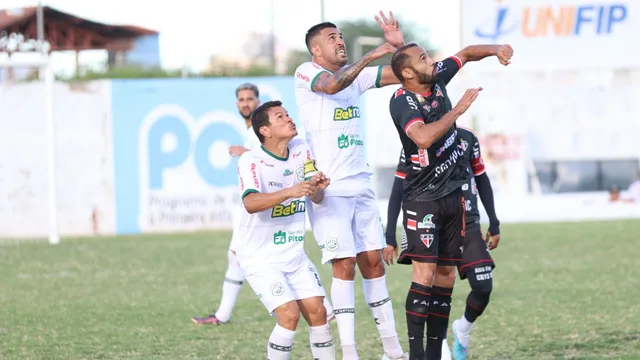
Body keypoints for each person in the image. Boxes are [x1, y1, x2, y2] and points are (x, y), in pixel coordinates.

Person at [387, 42, 513, 360]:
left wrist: (497, 48)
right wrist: (458, 110)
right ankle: (416, 355)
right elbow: (423, 137)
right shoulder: (402, 101)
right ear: (407, 72)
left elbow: (468, 53)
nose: (432, 62)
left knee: (445, 277)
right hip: (421, 200)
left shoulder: (437, 76)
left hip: (454, 197)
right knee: (425, 276)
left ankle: (433, 354)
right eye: (424, 59)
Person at [294, 11, 408, 360]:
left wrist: (402, 51)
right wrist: (376, 52)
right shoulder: (307, 73)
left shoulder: (356, 78)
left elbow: (405, 73)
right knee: (343, 266)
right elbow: (333, 85)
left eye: (340, 35)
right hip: (328, 189)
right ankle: (350, 352)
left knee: (373, 262)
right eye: (332, 38)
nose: (340, 40)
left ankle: (392, 350)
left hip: (360, 184)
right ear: (315, 49)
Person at [192, 83, 334, 325]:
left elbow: (273, 158)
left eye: (250, 98)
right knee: (237, 256)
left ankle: (325, 310)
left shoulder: (270, 135)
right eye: (241, 99)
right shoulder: (255, 136)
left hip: (271, 209)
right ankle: (222, 314)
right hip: (260, 205)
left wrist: (310, 186)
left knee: (245, 255)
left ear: (257, 102)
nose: (245, 103)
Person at [385, 127, 501, 360]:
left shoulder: (467, 138)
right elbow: (399, 185)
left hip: (468, 222)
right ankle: (434, 347)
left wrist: (494, 220)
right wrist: (390, 232)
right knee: (428, 283)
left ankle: (462, 330)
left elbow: (481, 177)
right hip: (430, 220)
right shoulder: (416, 139)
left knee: (483, 285)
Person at [236, 100, 336, 360]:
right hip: (259, 258)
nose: (289, 119)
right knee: (289, 315)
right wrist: (291, 191)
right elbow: (250, 203)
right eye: (280, 117)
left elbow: (317, 198)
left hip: (294, 255)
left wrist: (317, 186)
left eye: (288, 115)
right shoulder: (251, 160)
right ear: (265, 131)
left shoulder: (301, 149)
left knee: (319, 312)